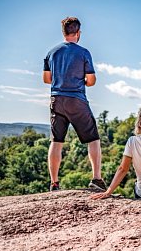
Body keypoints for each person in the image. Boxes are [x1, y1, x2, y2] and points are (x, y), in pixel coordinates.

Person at [43, 17, 106, 192]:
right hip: (77, 99)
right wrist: (82, 81)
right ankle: (96, 179)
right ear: (78, 33)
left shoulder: (51, 53)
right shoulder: (83, 52)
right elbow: (91, 80)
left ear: (64, 32)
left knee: (56, 141)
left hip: (56, 99)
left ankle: (54, 183)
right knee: (93, 139)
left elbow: (46, 79)